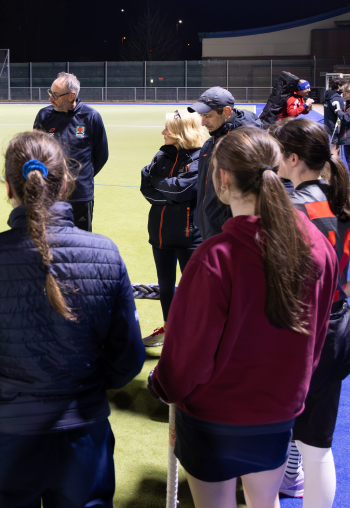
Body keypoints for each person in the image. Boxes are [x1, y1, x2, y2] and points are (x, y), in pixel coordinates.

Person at [0, 130, 145, 507]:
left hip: (3, 436)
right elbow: (127, 358)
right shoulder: (105, 253)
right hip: (82, 434)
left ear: (7, 189)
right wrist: (90, 387)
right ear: (66, 182)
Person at [150, 128, 337, 508]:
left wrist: (163, 385)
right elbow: (317, 340)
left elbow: (189, 354)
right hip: (278, 413)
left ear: (221, 178)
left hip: (213, 420)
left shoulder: (216, 257)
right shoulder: (317, 246)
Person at [271, 119, 350, 504]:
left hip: (297, 330)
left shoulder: (290, 208)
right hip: (336, 326)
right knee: (317, 447)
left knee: (271, 441)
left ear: (293, 158)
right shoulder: (341, 201)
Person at [139, 110, 205, 346]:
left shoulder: (200, 157)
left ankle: (194, 335)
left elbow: (181, 190)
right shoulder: (162, 154)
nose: (162, 132)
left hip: (189, 235)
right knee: (165, 286)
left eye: (167, 129)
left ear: (181, 133)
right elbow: (147, 191)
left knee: (194, 289)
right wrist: (169, 191)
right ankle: (169, 329)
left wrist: (158, 182)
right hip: (159, 232)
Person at [33, 72, 108, 232]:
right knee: (51, 244)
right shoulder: (44, 115)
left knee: (82, 243)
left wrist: (82, 176)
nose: (50, 99)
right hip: (50, 195)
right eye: (50, 93)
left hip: (81, 195)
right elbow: (35, 152)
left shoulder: (91, 117)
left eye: (56, 95)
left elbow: (101, 154)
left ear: (71, 96)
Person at [188, 87, 261, 240]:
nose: (202, 122)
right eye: (202, 116)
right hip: (209, 232)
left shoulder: (247, 143)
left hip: (232, 237)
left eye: (208, 116)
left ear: (227, 111)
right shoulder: (210, 142)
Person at [322, 76, 346, 148]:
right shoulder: (337, 98)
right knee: (336, 146)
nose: (344, 87)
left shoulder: (327, 94)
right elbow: (341, 114)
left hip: (327, 122)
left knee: (327, 143)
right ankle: (334, 158)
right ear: (339, 86)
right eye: (343, 85)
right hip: (335, 125)